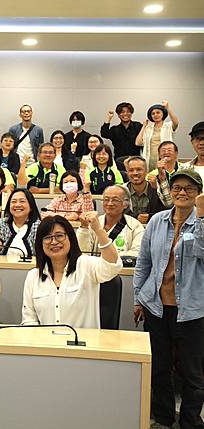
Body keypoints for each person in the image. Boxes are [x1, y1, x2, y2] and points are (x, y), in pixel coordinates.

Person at [133, 169, 204, 429]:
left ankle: (190, 421)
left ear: (198, 193)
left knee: (192, 373)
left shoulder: (202, 222)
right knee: (159, 368)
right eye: (177, 188)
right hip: (157, 307)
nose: (182, 192)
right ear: (170, 191)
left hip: (192, 310)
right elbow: (144, 263)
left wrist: (203, 218)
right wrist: (138, 298)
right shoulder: (157, 221)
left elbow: (202, 252)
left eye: (189, 188)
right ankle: (162, 418)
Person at [22, 214, 122, 328]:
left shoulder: (86, 265)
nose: (53, 242)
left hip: (84, 343)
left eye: (59, 236)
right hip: (47, 343)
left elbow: (112, 266)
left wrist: (99, 230)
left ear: (70, 238)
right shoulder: (33, 276)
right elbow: (29, 319)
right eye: (47, 237)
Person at [77, 185, 144, 256]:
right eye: (106, 199)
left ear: (126, 204)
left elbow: (137, 253)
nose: (110, 203)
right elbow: (83, 253)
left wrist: (109, 257)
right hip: (96, 266)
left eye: (115, 200)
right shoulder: (93, 223)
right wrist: (84, 228)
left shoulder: (135, 226)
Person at [0, 188, 40, 259]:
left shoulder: (38, 225)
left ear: (31, 206)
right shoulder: (1, 223)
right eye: (13, 201)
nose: (17, 205)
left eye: (22, 201)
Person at [135, 101, 179, 170]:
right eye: (153, 114)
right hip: (150, 159)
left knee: (164, 176)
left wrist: (167, 108)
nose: (155, 115)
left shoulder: (168, 126)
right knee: (151, 178)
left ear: (163, 114)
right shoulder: (148, 128)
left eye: (158, 112)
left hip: (164, 157)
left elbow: (176, 122)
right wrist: (144, 126)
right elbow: (138, 143)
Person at [124, 156, 169, 223]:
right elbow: (116, 214)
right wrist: (136, 217)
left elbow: (168, 208)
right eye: (131, 170)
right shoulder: (121, 191)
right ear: (127, 172)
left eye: (139, 169)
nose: (135, 173)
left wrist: (150, 217)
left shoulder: (156, 189)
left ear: (146, 171)